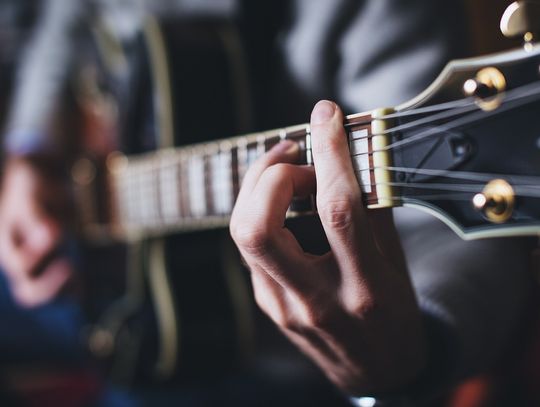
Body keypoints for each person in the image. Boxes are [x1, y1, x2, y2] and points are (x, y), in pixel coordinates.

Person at [0, 0, 535, 405]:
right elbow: (61, 17)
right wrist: (29, 152)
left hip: (249, 358)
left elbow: (457, 234)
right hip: (81, 269)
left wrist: (418, 352)